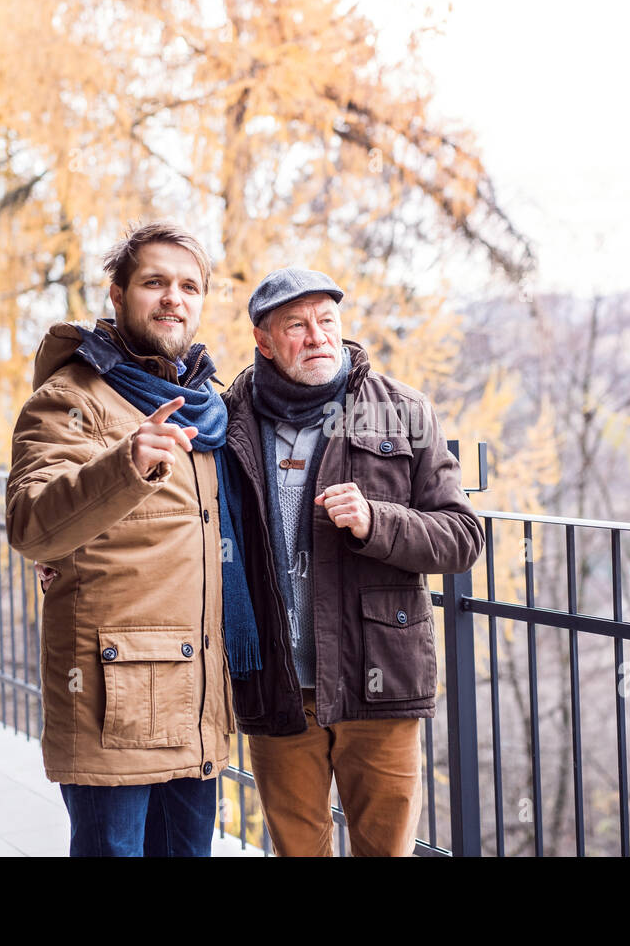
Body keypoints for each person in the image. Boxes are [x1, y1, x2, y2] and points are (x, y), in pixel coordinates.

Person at [5, 221, 258, 856]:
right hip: (112, 700)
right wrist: (123, 465)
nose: (174, 297)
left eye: (189, 286)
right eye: (154, 282)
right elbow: (33, 524)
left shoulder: (206, 405)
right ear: (117, 296)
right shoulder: (70, 399)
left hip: (195, 695)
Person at [221, 266, 483, 856]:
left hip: (379, 681)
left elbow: (463, 536)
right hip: (277, 687)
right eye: (296, 325)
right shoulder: (227, 418)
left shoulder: (404, 411)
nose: (316, 337)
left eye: (327, 321)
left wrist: (376, 522)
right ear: (263, 340)